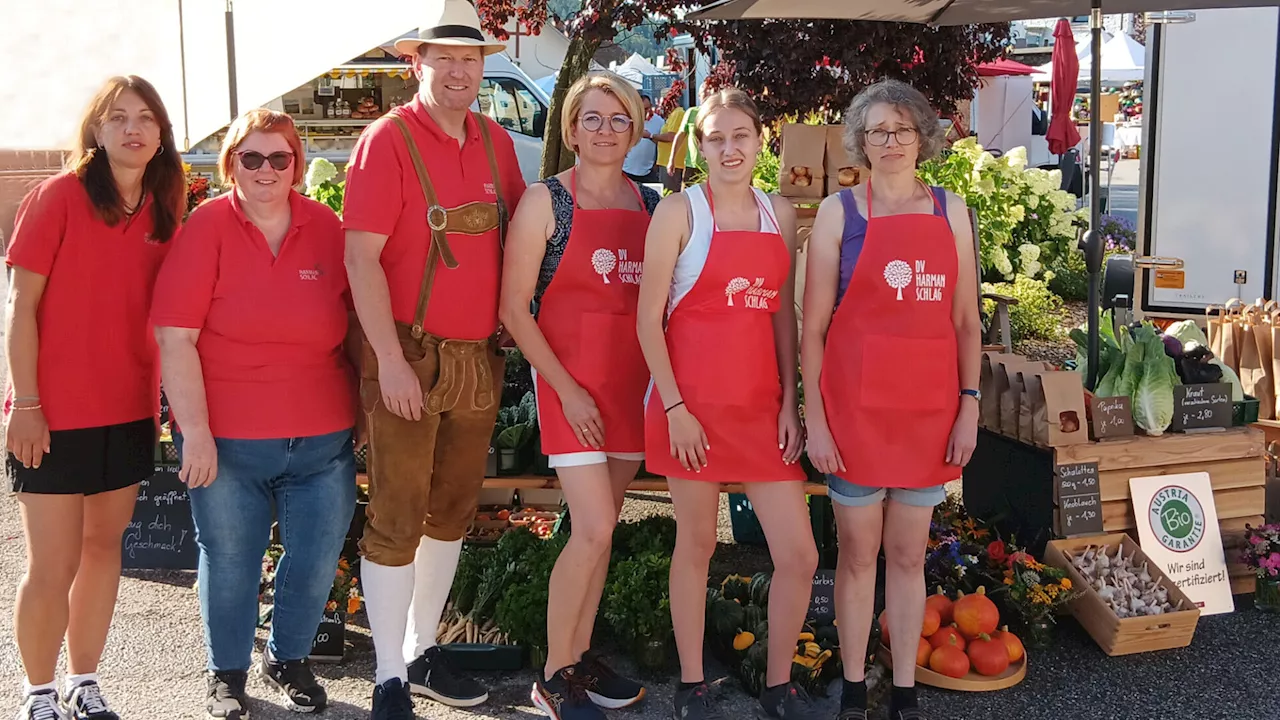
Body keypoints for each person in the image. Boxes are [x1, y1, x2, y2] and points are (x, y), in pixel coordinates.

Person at [342, 0, 526, 716]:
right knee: (396, 511)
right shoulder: (386, 141)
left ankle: (421, 653)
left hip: (478, 356)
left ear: (483, 67)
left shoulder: (494, 143)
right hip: (408, 353)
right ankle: (388, 673)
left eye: (470, 58)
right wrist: (387, 358)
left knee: (450, 510)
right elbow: (360, 258)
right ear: (416, 63)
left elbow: (518, 240)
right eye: (443, 57)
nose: (458, 70)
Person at [152, 108, 359, 719]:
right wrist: (195, 434)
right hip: (230, 439)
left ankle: (288, 658)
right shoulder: (207, 228)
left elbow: (357, 324)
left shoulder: (327, 227)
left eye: (280, 158)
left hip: (323, 436)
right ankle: (226, 673)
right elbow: (175, 337)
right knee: (231, 555)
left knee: (317, 553)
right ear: (230, 163)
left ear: (296, 164)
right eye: (252, 157)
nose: (267, 170)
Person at [636, 88, 820, 720]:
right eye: (716, 137)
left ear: (760, 139)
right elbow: (647, 322)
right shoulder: (679, 213)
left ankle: (777, 684)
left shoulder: (781, 214)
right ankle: (691, 685)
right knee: (697, 546)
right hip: (692, 412)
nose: (729, 148)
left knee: (800, 555)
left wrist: (789, 403)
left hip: (759, 409)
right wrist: (675, 408)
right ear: (700, 145)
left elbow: (781, 322)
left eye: (740, 135)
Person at [800, 79, 980, 720]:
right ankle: (853, 689)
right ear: (861, 142)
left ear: (923, 137)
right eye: (878, 131)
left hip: (929, 415)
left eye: (903, 130)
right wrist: (814, 422)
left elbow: (965, 322)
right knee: (855, 557)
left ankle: (903, 691)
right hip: (854, 417)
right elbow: (813, 331)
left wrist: (970, 402)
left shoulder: (951, 212)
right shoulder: (837, 214)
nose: (892, 142)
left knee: (907, 557)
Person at [6, 75, 185, 720]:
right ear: (97, 130)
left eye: (145, 117)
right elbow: (19, 307)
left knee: (104, 552)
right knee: (51, 563)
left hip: (130, 409)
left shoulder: (167, 206)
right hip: (52, 415)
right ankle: (39, 692)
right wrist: (25, 403)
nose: (132, 128)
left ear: (162, 133)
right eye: (118, 118)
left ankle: (85, 683)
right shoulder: (56, 197)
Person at [500, 71, 660, 720]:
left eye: (617, 119)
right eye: (590, 118)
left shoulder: (653, 207)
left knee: (604, 529)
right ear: (569, 129)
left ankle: (581, 656)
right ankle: (553, 676)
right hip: (571, 391)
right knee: (592, 530)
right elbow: (514, 311)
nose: (603, 131)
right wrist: (566, 392)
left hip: (632, 389)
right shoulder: (546, 203)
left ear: (635, 131)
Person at [621, 94, 668, 185]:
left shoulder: (659, 121)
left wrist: (650, 136)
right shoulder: (627, 120)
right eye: (642, 109)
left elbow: (661, 144)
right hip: (626, 170)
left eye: (648, 108)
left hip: (648, 172)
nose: (646, 111)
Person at [657, 105, 687, 193]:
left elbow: (671, 136)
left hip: (674, 164)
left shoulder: (678, 113)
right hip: (667, 162)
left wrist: (650, 135)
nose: (659, 105)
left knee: (670, 195)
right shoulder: (672, 114)